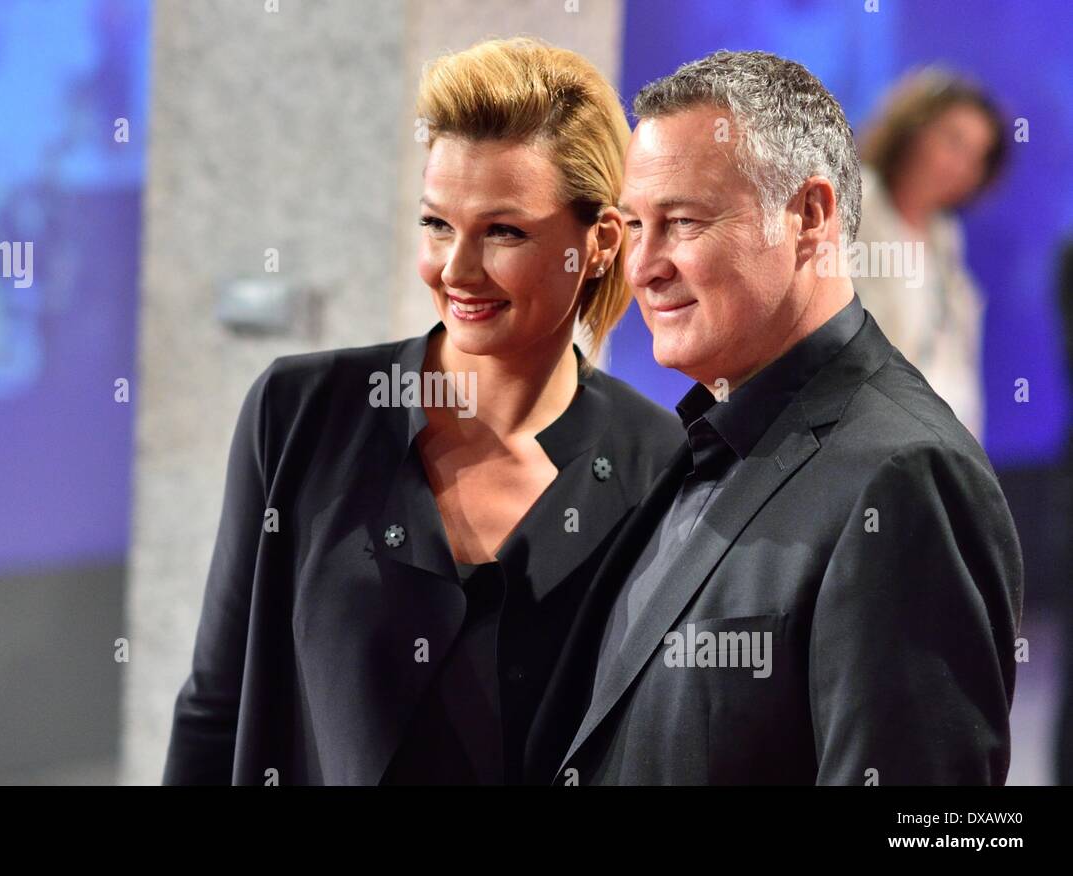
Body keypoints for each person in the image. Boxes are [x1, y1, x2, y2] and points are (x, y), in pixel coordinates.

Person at [162, 37, 684, 785]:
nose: (457, 269)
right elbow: (216, 708)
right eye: (438, 224)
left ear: (600, 242)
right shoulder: (302, 413)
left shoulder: (657, 466)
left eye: (504, 231)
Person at [525, 50, 1024, 785]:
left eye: (684, 221)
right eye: (636, 224)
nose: (644, 265)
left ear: (811, 217)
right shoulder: (705, 439)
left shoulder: (907, 476)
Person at [855, 68, 1008, 442]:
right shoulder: (854, 204)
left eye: (977, 156)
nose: (961, 165)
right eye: (953, 141)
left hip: (944, 444)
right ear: (911, 129)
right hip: (871, 441)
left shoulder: (946, 235)